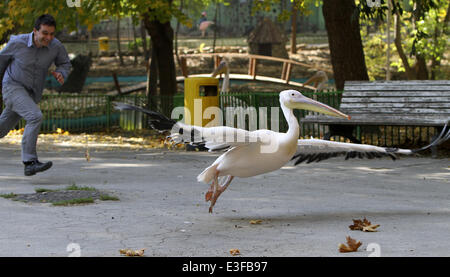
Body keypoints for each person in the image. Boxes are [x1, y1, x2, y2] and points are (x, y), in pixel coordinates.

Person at [0, 14, 71, 176]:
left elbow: (65, 63)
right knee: (35, 116)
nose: (48, 38)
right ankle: (30, 162)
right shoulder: (17, 42)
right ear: (35, 31)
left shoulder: (56, 46)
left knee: (2, 128)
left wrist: (61, 72)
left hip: (31, 93)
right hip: (12, 87)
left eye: (52, 34)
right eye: (45, 33)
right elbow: (1, 62)